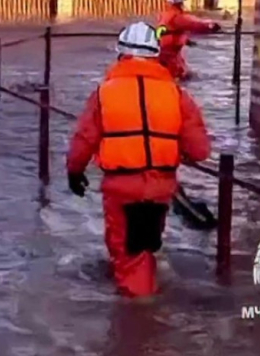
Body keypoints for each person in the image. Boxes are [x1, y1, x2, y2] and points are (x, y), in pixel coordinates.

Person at [65, 22, 211, 298]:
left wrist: (74, 172)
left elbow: (84, 139)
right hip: (160, 189)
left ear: (120, 54)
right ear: (156, 55)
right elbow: (200, 150)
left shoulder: (103, 94)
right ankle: (147, 303)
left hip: (121, 189)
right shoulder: (178, 95)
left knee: (128, 255)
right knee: (144, 247)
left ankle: (139, 326)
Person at [156, 0, 221, 79]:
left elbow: (171, 32)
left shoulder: (165, 15)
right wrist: (211, 25)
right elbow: (195, 24)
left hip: (165, 51)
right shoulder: (178, 17)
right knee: (180, 74)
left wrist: (186, 41)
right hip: (171, 55)